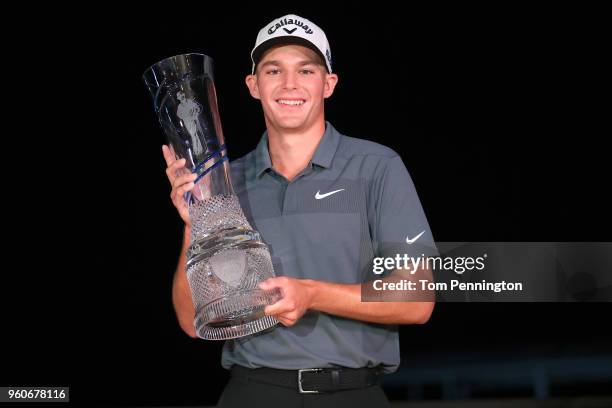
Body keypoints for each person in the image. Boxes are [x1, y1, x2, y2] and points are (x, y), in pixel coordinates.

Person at [161, 14, 436, 408]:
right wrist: (195, 225)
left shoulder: (376, 166)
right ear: (254, 86)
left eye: (306, 70)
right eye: (274, 70)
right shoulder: (225, 183)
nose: (290, 84)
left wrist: (311, 294)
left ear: (328, 84)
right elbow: (192, 323)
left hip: (351, 394)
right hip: (253, 394)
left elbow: (418, 298)